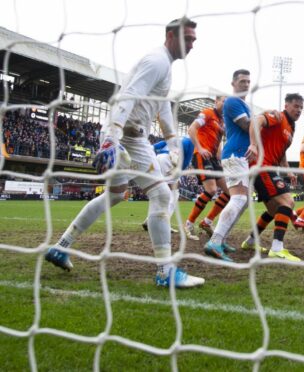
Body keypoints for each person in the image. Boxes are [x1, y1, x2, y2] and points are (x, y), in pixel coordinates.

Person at [45, 18, 204, 288]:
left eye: (193, 39)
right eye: (187, 38)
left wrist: (173, 143)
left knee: (116, 195)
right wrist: (112, 138)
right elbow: (128, 96)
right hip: (128, 137)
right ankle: (165, 271)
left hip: (126, 135)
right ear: (170, 36)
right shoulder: (157, 61)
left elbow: (162, 107)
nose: (192, 44)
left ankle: (62, 246)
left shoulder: (163, 65)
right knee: (161, 194)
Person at [239, 93, 304, 262]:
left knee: (273, 210)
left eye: (301, 107)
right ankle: (276, 248)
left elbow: (282, 154)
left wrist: (288, 171)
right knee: (287, 203)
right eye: (296, 106)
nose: (299, 110)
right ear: (287, 105)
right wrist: (253, 145)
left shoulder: (291, 129)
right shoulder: (278, 117)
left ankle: (250, 241)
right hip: (260, 166)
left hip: (269, 168)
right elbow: (256, 121)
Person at [203, 69, 253, 262]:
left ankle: (220, 239)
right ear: (233, 84)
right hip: (235, 155)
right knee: (239, 199)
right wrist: (266, 120)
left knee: (245, 200)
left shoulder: (243, 104)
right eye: (242, 81)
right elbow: (248, 126)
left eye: (248, 81)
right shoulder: (232, 101)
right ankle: (214, 241)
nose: (246, 84)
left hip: (240, 156)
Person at [183, 96, 230, 240]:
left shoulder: (223, 121)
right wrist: (200, 148)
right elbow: (191, 129)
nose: (225, 104)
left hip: (213, 159)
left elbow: (218, 141)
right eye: (223, 100)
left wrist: (220, 158)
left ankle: (207, 222)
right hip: (201, 155)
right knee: (211, 190)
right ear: (216, 102)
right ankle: (189, 223)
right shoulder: (208, 113)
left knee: (230, 192)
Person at [141, 136, 195, 233]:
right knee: (173, 194)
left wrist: (152, 150)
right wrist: (179, 171)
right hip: (170, 161)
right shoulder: (191, 142)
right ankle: (162, 224)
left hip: (159, 158)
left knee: (161, 193)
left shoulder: (178, 137)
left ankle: (149, 220)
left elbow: (158, 145)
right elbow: (186, 161)